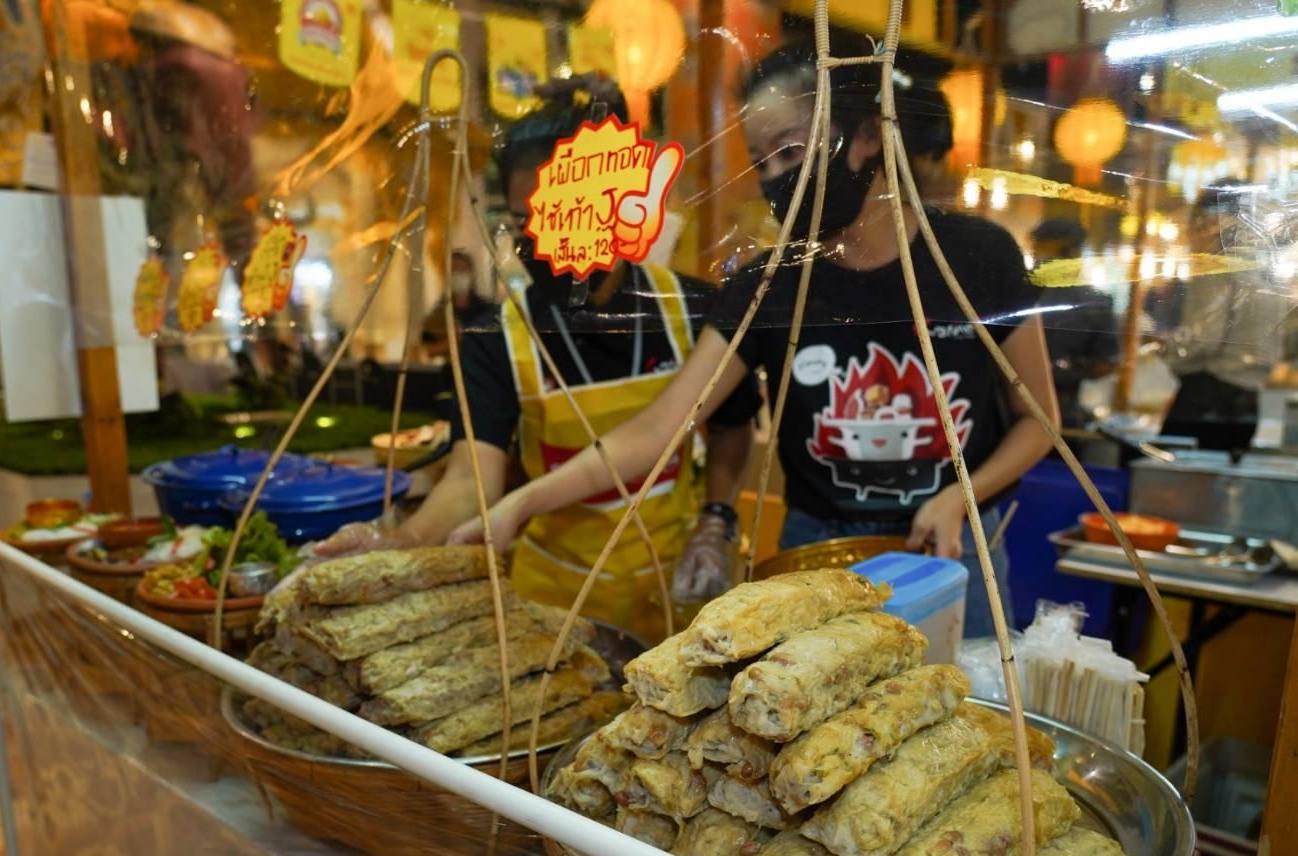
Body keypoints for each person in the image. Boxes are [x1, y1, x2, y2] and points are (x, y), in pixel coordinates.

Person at [451, 44, 1059, 639]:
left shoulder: (979, 258)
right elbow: (656, 431)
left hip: (957, 545)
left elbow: (1039, 420)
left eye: (789, 150)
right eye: (760, 160)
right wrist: (521, 503)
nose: (775, 177)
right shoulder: (768, 284)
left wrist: (959, 496)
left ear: (868, 136)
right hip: (819, 551)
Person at [313, 82, 760, 641]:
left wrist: (717, 520)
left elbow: (731, 424)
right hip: (554, 603)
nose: (546, 242)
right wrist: (401, 539)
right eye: (528, 225)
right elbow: (469, 479)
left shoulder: (692, 309)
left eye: (564, 216)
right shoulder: (495, 334)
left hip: (677, 590)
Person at [1160, 180, 1293, 439]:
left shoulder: (1218, 268)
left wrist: (1165, 348)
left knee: (1172, 476)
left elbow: (1202, 340)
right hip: (1249, 400)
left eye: (1197, 218)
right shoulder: (1265, 272)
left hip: (1207, 396)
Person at [1029, 219, 1119, 429]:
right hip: (1064, 414)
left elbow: (1106, 364)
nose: (1038, 257)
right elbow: (1106, 364)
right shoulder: (1095, 302)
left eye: (1041, 249)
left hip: (1016, 410)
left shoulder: (1017, 296)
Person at [421, 250, 493, 356]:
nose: (458, 275)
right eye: (453, 271)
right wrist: (453, 340)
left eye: (462, 270)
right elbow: (425, 352)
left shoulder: (486, 310)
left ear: (471, 274)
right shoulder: (437, 315)